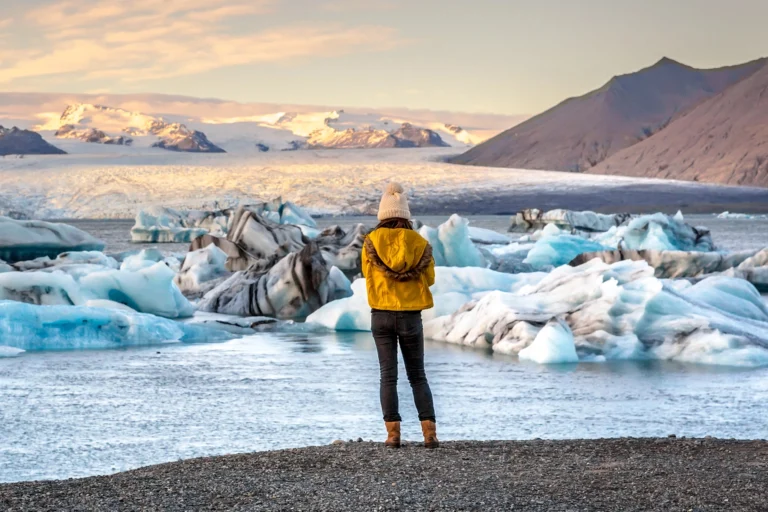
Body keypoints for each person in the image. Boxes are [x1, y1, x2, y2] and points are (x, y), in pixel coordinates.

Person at [361, 182, 438, 449]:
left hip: (380, 315)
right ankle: (429, 435)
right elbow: (430, 278)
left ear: (383, 214)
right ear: (405, 214)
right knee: (418, 376)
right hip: (410, 316)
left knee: (388, 376)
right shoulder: (420, 243)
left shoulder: (371, 242)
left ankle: (393, 435)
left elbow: (366, 273)